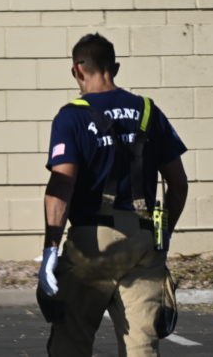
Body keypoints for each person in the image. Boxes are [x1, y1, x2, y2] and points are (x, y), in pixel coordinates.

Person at [39, 33, 188, 357]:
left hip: (93, 243)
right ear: (115, 68)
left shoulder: (72, 116)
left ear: (78, 70)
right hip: (143, 241)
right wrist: (163, 235)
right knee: (142, 347)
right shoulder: (148, 111)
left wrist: (50, 247)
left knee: (71, 342)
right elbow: (178, 184)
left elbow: (61, 186)